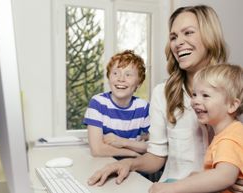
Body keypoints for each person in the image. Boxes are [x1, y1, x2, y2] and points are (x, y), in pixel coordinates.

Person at [87, 4, 238, 186]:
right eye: (173, 37)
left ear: (209, 36)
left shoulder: (233, 88)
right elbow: (156, 158)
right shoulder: (163, 93)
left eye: (188, 33)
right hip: (171, 186)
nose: (178, 42)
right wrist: (128, 163)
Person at [149, 63, 243, 193]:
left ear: (232, 105)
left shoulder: (230, 138)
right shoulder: (228, 132)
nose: (195, 101)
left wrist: (172, 188)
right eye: (194, 94)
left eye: (205, 95)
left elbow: (224, 176)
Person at [83, 50, 150, 157]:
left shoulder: (143, 107)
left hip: (135, 169)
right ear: (109, 78)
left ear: (139, 83)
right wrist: (134, 152)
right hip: (105, 165)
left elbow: (155, 147)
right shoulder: (98, 103)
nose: (121, 79)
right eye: (115, 73)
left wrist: (122, 142)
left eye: (128, 75)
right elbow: (97, 150)